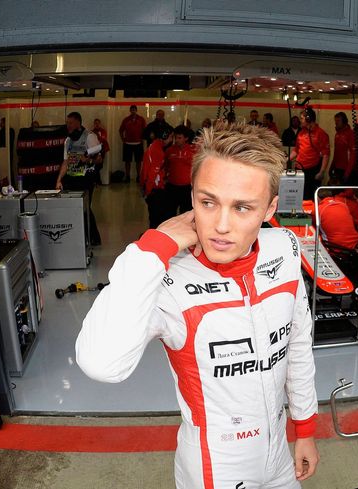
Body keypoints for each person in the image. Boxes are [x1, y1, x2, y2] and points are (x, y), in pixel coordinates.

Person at [77, 123, 319, 489]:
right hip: (215, 464)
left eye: (242, 207)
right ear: (191, 198)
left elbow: (297, 344)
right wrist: (151, 250)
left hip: (279, 452)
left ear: (270, 208)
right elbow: (101, 364)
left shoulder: (283, 246)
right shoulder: (165, 276)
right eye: (208, 202)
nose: (221, 225)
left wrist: (305, 427)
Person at [55, 112, 103, 246]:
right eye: (67, 123)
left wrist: (87, 159)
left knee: (85, 207)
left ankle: (93, 238)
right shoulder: (68, 141)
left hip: (86, 178)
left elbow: (99, 159)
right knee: (73, 208)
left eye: (70, 123)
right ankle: (78, 237)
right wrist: (59, 180)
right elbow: (65, 162)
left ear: (78, 123)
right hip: (72, 178)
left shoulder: (89, 137)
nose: (68, 125)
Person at [289, 107, 330, 200]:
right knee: (298, 196)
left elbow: (326, 154)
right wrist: (286, 159)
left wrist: (321, 172)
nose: (300, 121)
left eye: (302, 118)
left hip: (311, 171)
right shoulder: (301, 132)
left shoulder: (321, 134)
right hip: (298, 169)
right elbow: (296, 150)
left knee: (309, 197)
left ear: (308, 119)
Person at [139, 127, 173, 229]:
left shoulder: (153, 146)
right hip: (155, 190)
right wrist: (147, 192)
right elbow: (152, 174)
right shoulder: (158, 151)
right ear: (164, 136)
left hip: (152, 188)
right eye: (171, 137)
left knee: (155, 217)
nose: (172, 140)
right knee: (157, 219)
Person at [164, 125, 196, 218]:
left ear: (186, 138)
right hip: (172, 187)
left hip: (187, 188)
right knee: (169, 214)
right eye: (175, 137)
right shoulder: (169, 151)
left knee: (186, 216)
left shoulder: (194, 150)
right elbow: (165, 166)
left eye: (179, 138)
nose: (177, 140)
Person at [119, 105, 146, 183]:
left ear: (136, 110)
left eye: (134, 109)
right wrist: (123, 139)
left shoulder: (141, 119)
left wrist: (142, 139)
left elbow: (145, 130)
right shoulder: (126, 120)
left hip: (138, 144)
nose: (133, 111)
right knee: (127, 161)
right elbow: (120, 130)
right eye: (132, 110)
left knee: (139, 161)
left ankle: (138, 176)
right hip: (127, 144)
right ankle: (127, 177)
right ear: (130, 111)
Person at [330, 112, 356, 184]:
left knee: (346, 193)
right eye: (335, 121)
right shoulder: (337, 134)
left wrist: (347, 173)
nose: (336, 123)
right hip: (338, 169)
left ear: (344, 121)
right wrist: (332, 166)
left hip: (347, 169)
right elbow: (336, 153)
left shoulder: (351, 134)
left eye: (338, 121)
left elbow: (353, 155)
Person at [92, 118, 110, 183]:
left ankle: (97, 180)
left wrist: (97, 136)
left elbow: (103, 139)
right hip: (95, 150)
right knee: (97, 165)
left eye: (98, 123)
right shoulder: (92, 131)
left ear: (100, 124)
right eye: (95, 123)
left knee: (100, 165)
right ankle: (98, 180)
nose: (96, 125)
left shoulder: (103, 131)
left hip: (102, 149)